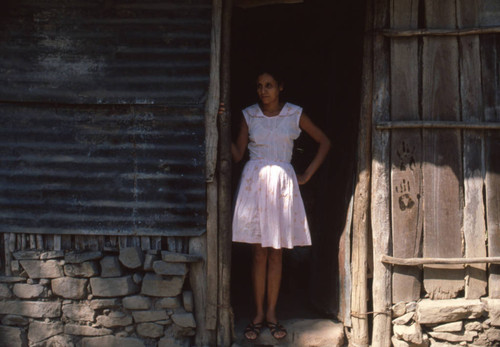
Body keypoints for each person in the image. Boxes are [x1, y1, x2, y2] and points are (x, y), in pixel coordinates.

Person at [225, 69, 330, 341]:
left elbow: (324, 142)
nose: (263, 91)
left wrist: (306, 174)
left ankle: (272, 313)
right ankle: (258, 314)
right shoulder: (249, 115)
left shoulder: (294, 114)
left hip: (282, 183)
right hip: (255, 183)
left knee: (277, 252)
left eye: (269, 85)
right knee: (259, 253)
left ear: (280, 86)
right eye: (259, 86)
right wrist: (219, 122)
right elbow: (237, 155)